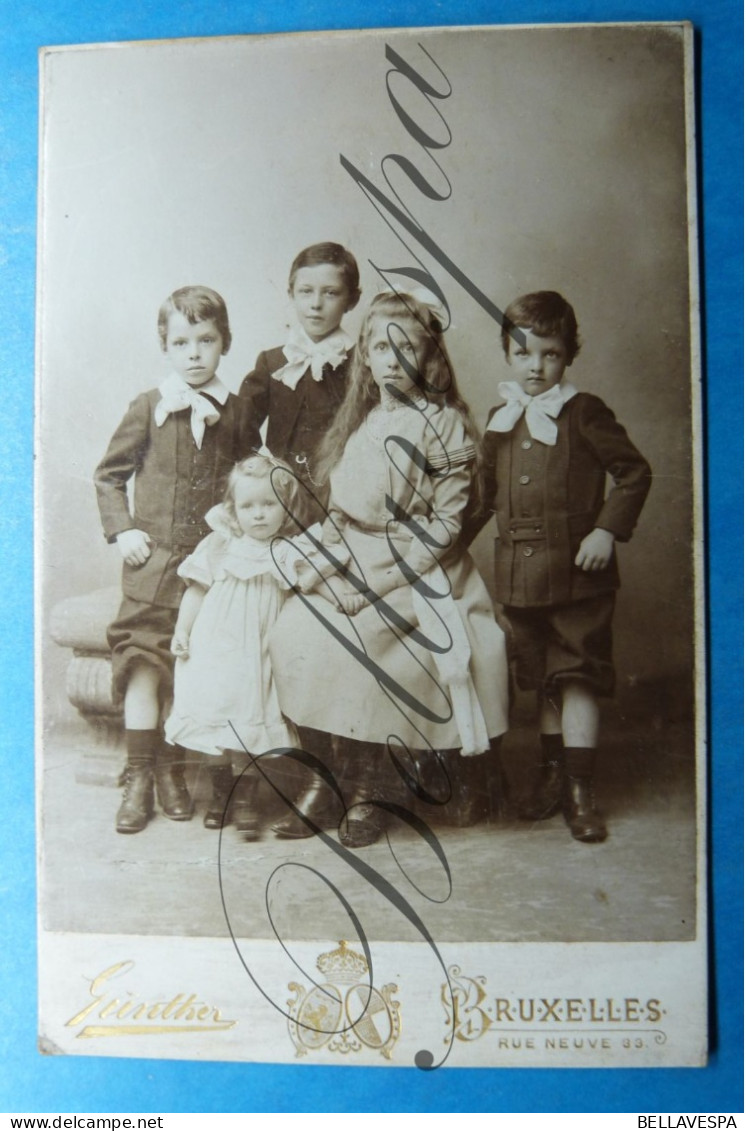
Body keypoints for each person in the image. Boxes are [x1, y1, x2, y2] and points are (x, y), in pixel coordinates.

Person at [269, 291, 510, 849]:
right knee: (294, 628)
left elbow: (447, 524)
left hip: (416, 565)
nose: (392, 359)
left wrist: (377, 583)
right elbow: (342, 507)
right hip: (355, 551)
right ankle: (327, 778)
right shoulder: (366, 420)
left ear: (429, 358)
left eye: (406, 347)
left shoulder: (445, 425)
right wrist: (323, 557)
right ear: (366, 358)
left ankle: (373, 788)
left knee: (370, 641)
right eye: (380, 346)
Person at [463, 290, 652, 843]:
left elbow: (634, 473)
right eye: (523, 354)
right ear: (506, 354)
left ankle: (580, 787)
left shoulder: (584, 411)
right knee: (543, 681)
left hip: (578, 576)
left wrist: (605, 529)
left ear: (568, 356)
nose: (536, 366)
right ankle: (551, 773)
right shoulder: (500, 418)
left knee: (577, 678)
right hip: (521, 579)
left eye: (549, 354)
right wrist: (447, 544)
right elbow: (484, 495)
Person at [94, 285, 248, 834]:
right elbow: (109, 475)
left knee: (198, 666)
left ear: (224, 344)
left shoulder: (239, 411)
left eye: (206, 340)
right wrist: (123, 530)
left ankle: (175, 771)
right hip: (151, 567)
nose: (193, 353)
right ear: (165, 345)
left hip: (212, 570)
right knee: (144, 662)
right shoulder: (147, 407)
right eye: (181, 341)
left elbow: (250, 481)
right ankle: (142, 771)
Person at [164, 453, 328, 836]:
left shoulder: (288, 551)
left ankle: (245, 797)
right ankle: (221, 792)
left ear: (285, 508)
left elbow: (309, 593)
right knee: (215, 710)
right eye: (247, 506)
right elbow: (196, 591)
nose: (258, 515)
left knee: (246, 714)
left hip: (257, 650)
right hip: (214, 646)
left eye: (269, 504)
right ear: (232, 509)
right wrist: (183, 630)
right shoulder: (219, 546)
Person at [239, 241, 361, 497]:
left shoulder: (363, 363)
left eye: (330, 293)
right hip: (281, 496)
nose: (316, 304)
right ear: (291, 294)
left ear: (352, 300)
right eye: (306, 291)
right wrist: (262, 473)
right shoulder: (272, 362)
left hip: (340, 496)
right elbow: (241, 426)